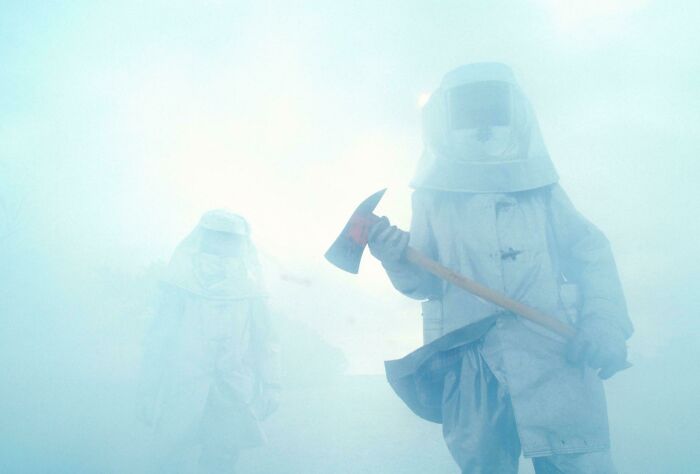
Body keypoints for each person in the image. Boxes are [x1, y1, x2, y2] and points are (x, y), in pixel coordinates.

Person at [370, 63, 632, 473]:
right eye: (470, 112)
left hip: (553, 352)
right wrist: (393, 257)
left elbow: (591, 255)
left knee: (574, 461)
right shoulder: (433, 198)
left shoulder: (541, 190)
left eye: (493, 109)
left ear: (514, 112)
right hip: (474, 365)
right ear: (446, 117)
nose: (483, 126)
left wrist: (605, 327)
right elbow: (425, 282)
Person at [138, 210, 280, 474]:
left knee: (223, 459)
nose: (224, 245)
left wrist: (271, 385)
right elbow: (158, 340)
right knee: (170, 458)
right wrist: (148, 391)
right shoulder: (179, 285)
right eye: (218, 237)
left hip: (232, 389)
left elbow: (265, 341)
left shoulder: (252, 290)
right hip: (184, 385)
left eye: (231, 239)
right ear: (204, 238)